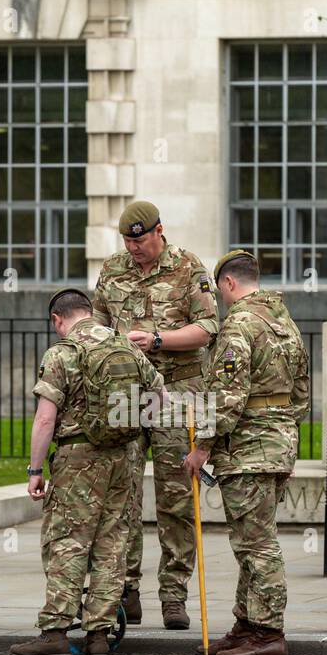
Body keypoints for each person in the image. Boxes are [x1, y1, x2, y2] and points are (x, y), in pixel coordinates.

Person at [11, 288, 164, 655]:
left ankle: (56, 632)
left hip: (78, 459)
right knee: (113, 546)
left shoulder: (63, 354)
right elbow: (160, 396)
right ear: (91, 313)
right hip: (122, 460)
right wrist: (129, 432)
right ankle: (99, 634)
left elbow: (46, 418)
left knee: (68, 541)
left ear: (57, 320)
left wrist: (35, 470)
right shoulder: (127, 347)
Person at [93, 201, 218, 629]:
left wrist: (159, 340)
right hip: (126, 393)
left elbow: (207, 328)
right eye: (128, 240)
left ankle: (173, 595)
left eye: (140, 240)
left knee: (176, 497)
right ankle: (125, 588)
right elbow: (95, 327)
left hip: (178, 393)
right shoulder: (112, 270)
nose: (134, 248)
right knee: (120, 495)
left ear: (159, 231)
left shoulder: (188, 267)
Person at [182, 250, 309, 655]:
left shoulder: (239, 323)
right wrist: (282, 430)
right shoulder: (284, 322)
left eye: (220, 291)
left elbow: (227, 396)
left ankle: (269, 630)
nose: (220, 299)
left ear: (229, 284)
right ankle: (248, 623)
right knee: (250, 539)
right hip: (278, 444)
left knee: (257, 544)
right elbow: (302, 394)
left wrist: (202, 448)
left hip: (249, 450)